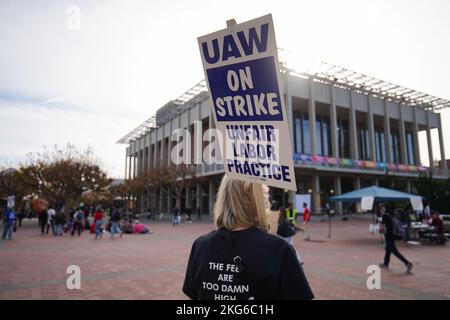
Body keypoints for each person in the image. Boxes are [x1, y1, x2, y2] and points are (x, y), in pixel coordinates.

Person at [182, 176, 314, 300]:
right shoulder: (279, 249)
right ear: (257, 200)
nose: (268, 203)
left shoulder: (201, 245)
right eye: (265, 196)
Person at [379, 206, 414, 273]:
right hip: (391, 236)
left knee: (395, 252)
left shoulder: (385, 216)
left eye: (381, 209)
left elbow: (382, 228)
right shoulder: (389, 215)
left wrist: (380, 230)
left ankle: (408, 263)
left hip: (389, 236)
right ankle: (386, 263)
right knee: (387, 250)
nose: (380, 211)